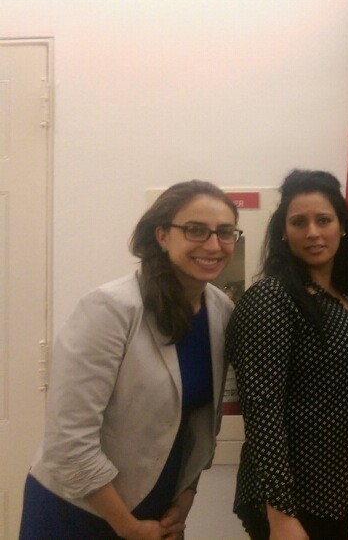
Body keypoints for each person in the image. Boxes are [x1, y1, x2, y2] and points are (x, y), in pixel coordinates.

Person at [20, 180, 239, 539]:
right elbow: (69, 440)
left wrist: (183, 502)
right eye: (196, 230)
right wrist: (127, 525)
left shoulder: (221, 312)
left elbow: (201, 427)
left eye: (225, 232)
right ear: (162, 236)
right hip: (77, 511)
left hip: (157, 515)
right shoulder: (111, 308)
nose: (213, 245)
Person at [227, 170, 348, 540]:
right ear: (283, 232)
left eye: (323, 220)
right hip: (292, 500)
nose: (313, 232)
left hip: (340, 493)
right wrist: (280, 512)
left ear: (342, 227)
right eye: (299, 222)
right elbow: (262, 409)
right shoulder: (271, 299)